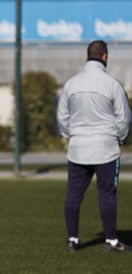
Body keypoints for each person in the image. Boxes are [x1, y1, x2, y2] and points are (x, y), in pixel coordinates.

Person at [57, 40, 131, 252]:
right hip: (106, 148)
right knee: (107, 193)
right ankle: (111, 240)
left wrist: (70, 135)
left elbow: (62, 116)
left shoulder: (72, 84)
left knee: (73, 194)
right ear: (105, 57)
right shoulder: (112, 84)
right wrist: (120, 138)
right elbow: (124, 118)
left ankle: (72, 239)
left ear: (87, 56)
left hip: (78, 148)